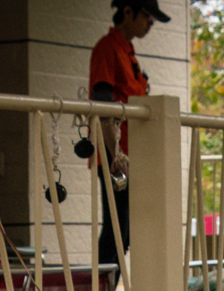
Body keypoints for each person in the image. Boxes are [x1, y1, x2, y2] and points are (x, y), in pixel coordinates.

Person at [88, 0, 168, 275]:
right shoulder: (107, 48)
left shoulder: (127, 51)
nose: (150, 24)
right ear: (128, 12)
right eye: (147, 17)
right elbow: (103, 104)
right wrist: (117, 157)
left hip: (132, 155)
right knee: (117, 230)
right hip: (116, 156)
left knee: (126, 231)